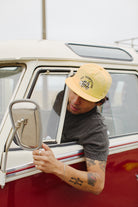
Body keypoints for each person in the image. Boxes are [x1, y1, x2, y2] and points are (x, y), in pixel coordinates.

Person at [33, 63, 112, 195]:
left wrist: (56, 166)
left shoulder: (96, 130)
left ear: (99, 102)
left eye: (85, 98)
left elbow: (98, 184)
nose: (75, 101)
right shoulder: (62, 98)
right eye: (75, 91)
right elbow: (50, 129)